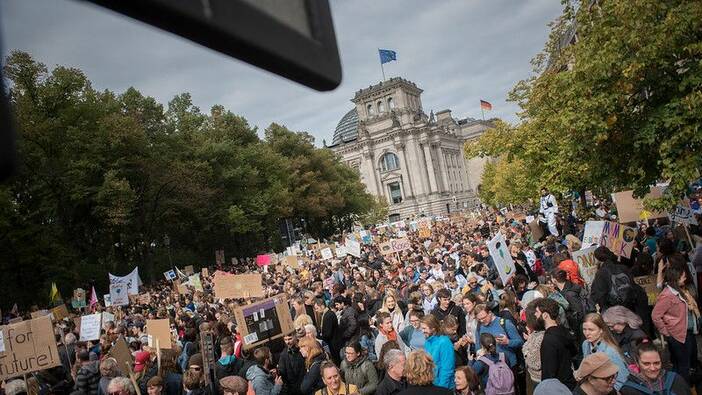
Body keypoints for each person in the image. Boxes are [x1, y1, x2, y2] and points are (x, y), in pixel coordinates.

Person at [651, 262, 699, 384]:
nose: (685, 278)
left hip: (685, 333)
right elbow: (656, 316)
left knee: (682, 363)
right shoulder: (668, 295)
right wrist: (666, 332)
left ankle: (678, 385)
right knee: (684, 365)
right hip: (678, 335)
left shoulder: (680, 291)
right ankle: (684, 387)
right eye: (683, 276)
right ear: (676, 278)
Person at [534, 297, 577, 390]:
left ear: (545, 315)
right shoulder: (563, 331)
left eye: (537, 312)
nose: (535, 314)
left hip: (559, 389)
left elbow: (548, 375)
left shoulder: (549, 340)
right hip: (569, 384)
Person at [619, 342, 691, 395]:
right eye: (646, 364)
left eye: (656, 363)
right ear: (637, 363)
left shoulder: (676, 380)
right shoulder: (628, 390)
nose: (653, 368)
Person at [581, 313, 629, 391]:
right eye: (584, 329)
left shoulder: (610, 352)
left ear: (601, 330)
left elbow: (622, 379)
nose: (587, 333)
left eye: (591, 330)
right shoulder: (585, 344)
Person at [474, 304, 523, 375]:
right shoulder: (479, 326)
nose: (482, 321)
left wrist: (508, 342)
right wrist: (479, 352)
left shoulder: (505, 323)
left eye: (484, 317)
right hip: (489, 367)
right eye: (479, 319)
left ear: (490, 313)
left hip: (508, 365)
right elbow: (478, 343)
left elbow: (520, 342)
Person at [421, 314, 455, 389]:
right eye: (422, 328)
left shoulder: (444, 342)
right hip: (431, 385)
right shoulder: (427, 341)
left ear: (433, 329)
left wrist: (441, 390)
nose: (422, 331)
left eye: (424, 328)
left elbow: (447, 369)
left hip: (444, 386)